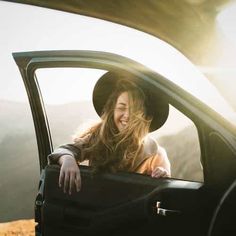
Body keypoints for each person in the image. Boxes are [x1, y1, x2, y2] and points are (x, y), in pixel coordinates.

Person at [48, 71, 171, 195]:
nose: (127, 115)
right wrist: (68, 158)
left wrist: (161, 173)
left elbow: (165, 182)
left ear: (143, 115)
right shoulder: (98, 137)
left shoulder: (155, 153)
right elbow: (64, 150)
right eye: (121, 108)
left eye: (134, 110)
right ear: (112, 110)